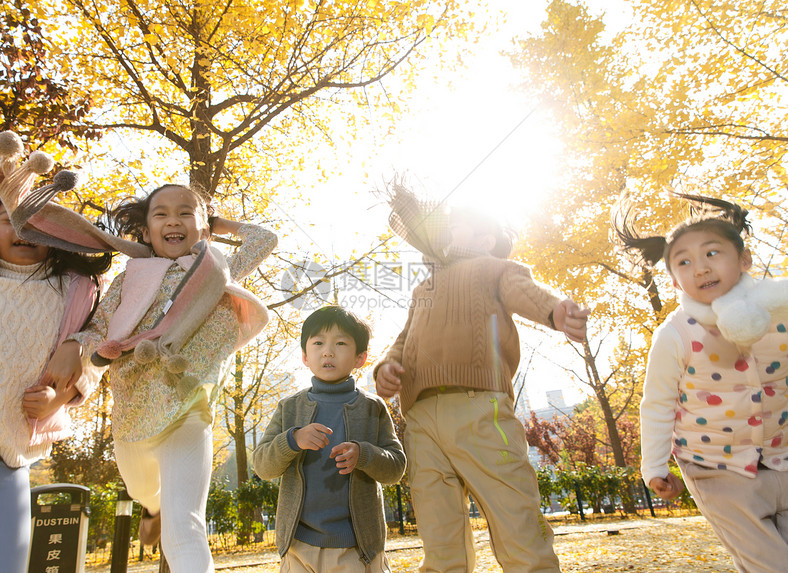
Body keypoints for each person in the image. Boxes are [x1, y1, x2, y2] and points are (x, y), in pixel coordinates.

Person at [373, 182, 590, 573]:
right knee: (438, 528)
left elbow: (526, 292)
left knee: (514, 514)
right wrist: (386, 367)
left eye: (456, 225)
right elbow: (404, 339)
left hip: (480, 409)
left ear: (486, 239)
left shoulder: (495, 268)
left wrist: (555, 310)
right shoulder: (424, 287)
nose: (446, 229)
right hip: (420, 418)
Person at [67, 183, 276, 572]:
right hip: (132, 412)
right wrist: (88, 350)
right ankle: (153, 506)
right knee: (140, 488)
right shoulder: (131, 276)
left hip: (187, 407)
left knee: (185, 528)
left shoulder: (214, 269)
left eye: (185, 213)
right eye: (160, 214)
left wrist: (217, 223)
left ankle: (168, 516)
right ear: (145, 233)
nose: (173, 220)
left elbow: (264, 238)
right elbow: (96, 326)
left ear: (203, 229)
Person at [0, 194, 111, 573]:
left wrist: (60, 395)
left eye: (39, 223)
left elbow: (108, 339)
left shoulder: (76, 290)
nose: (24, 231)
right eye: (9, 220)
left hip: (8, 466)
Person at [614, 192, 788, 572]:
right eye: (684, 262)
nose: (701, 268)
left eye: (712, 253)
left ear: (744, 260)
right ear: (675, 282)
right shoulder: (675, 335)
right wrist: (655, 467)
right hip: (716, 470)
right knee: (772, 565)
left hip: (783, 458)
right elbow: (658, 404)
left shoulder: (779, 312)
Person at [253, 305, 406, 572]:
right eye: (318, 342)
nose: (328, 351)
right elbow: (262, 466)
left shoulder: (373, 408)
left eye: (341, 343)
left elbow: (396, 467)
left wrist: (365, 454)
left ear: (361, 357)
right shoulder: (289, 408)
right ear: (304, 355)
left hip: (356, 550)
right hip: (298, 547)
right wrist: (292, 440)